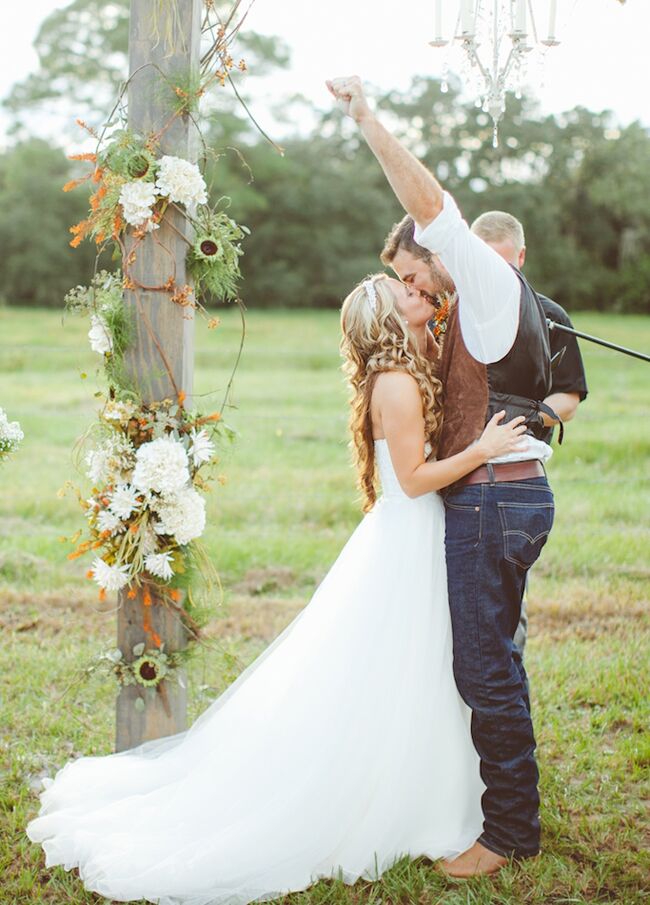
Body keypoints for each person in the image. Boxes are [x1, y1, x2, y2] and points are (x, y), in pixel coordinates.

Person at [25, 273, 528, 903]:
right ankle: (397, 800)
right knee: (400, 668)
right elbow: (417, 476)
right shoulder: (396, 384)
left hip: (413, 536)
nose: (413, 290)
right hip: (408, 538)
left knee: (419, 669)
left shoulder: (407, 368)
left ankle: (435, 790)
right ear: (385, 318)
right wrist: (483, 448)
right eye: (400, 288)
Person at [326, 75, 558, 877]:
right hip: (504, 494)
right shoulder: (470, 308)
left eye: (417, 275)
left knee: (484, 665)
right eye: (404, 285)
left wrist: (366, 116)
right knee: (496, 654)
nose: (416, 289)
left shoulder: (483, 279)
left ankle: (510, 830)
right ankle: (501, 803)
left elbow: (429, 202)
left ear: (439, 252)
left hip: (496, 499)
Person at [470, 210, 589, 652]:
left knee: (503, 604)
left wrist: (528, 417)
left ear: (521, 255)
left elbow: (569, 400)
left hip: (515, 475)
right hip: (455, 471)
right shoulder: (456, 310)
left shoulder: (551, 316)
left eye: (507, 265)